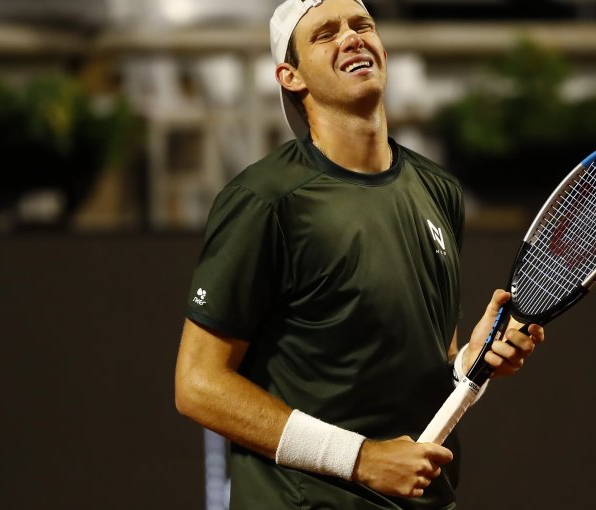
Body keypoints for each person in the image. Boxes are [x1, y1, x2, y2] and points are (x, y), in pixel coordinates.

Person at [173, 0, 546, 508]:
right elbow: (198, 384)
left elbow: (425, 373)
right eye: (325, 34)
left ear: (383, 50)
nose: (351, 37)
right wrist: (361, 459)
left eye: (362, 25)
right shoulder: (265, 200)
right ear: (291, 76)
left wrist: (470, 365)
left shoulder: (437, 190)